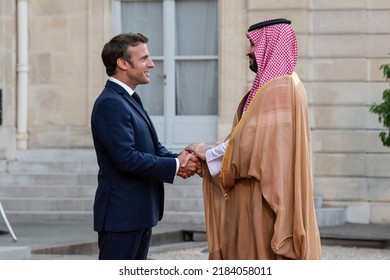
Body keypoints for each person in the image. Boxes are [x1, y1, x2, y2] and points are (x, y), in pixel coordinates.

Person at [186, 18, 322, 260]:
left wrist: (207, 153)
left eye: (252, 43)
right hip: (257, 197)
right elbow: (246, 137)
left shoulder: (278, 88)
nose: (248, 50)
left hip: (263, 203)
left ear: (270, 44)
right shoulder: (286, 85)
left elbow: (253, 147)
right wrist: (213, 152)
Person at [91, 32, 200, 260]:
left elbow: (153, 149)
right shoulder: (110, 103)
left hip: (139, 213)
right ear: (122, 63)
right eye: (144, 58)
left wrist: (185, 159)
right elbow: (126, 158)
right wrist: (177, 164)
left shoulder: (129, 98)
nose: (151, 64)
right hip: (122, 217)